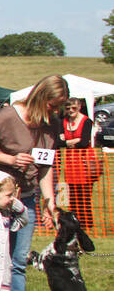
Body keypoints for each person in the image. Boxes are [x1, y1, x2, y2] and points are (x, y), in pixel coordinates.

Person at [0, 74, 67, 291]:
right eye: (53, 105)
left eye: (59, 106)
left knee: (18, 258)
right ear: (40, 97)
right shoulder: (7, 116)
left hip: (26, 197)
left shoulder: (51, 124)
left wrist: (50, 202)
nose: (56, 111)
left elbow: (46, 167)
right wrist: (11, 160)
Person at [61, 97, 97, 232]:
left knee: (84, 195)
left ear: (79, 107)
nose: (71, 111)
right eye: (68, 108)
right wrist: (74, 140)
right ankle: (74, 223)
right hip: (70, 163)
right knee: (72, 196)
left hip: (85, 163)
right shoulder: (63, 121)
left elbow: (84, 142)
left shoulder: (86, 121)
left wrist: (68, 142)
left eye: (73, 108)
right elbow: (59, 143)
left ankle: (87, 223)